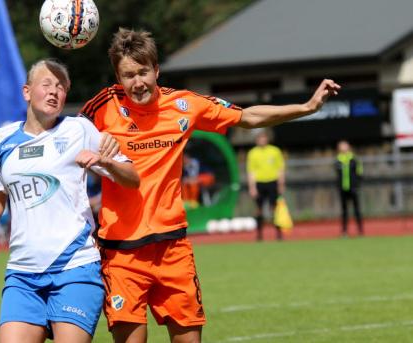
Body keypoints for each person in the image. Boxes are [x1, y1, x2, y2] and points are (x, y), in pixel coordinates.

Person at [79, 28, 340, 343]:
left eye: (143, 72)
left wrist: (307, 108)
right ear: (118, 77)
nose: (138, 83)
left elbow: (248, 116)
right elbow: (65, 141)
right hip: (121, 254)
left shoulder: (184, 105)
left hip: (172, 248)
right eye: (128, 75)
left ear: (156, 70)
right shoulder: (102, 108)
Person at [0, 59, 139, 343]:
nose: (55, 92)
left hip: (75, 268)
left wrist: (106, 163)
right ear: (27, 92)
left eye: (61, 87)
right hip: (22, 274)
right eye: (47, 84)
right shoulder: (1, 140)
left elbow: (132, 178)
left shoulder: (79, 129)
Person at [246, 131, 286, 241]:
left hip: (272, 182)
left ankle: (279, 234)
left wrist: (281, 184)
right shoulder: (252, 153)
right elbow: (251, 172)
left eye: (264, 138)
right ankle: (259, 235)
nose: (262, 140)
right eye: (260, 138)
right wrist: (252, 187)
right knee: (259, 210)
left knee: (274, 209)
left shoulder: (275, 151)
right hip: (259, 183)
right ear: (257, 140)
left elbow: (280, 169)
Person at [335, 140, 363, 237]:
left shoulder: (354, 159)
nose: (343, 148)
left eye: (344, 146)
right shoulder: (338, 160)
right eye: (341, 146)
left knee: (357, 210)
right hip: (343, 188)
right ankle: (344, 231)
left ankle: (360, 230)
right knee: (344, 211)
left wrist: (356, 184)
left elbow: (359, 172)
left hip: (353, 188)